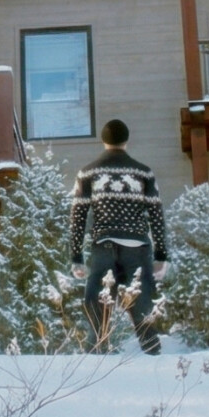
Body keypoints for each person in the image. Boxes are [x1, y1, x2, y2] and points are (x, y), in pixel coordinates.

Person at [68, 118, 166, 353]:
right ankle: (156, 360)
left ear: (103, 141)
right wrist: (161, 256)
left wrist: (76, 257)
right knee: (143, 314)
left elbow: (77, 217)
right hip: (138, 250)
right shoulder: (144, 173)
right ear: (126, 141)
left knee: (97, 309)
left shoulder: (87, 173)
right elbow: (156, 215)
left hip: (104, 248)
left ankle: (96, 360)